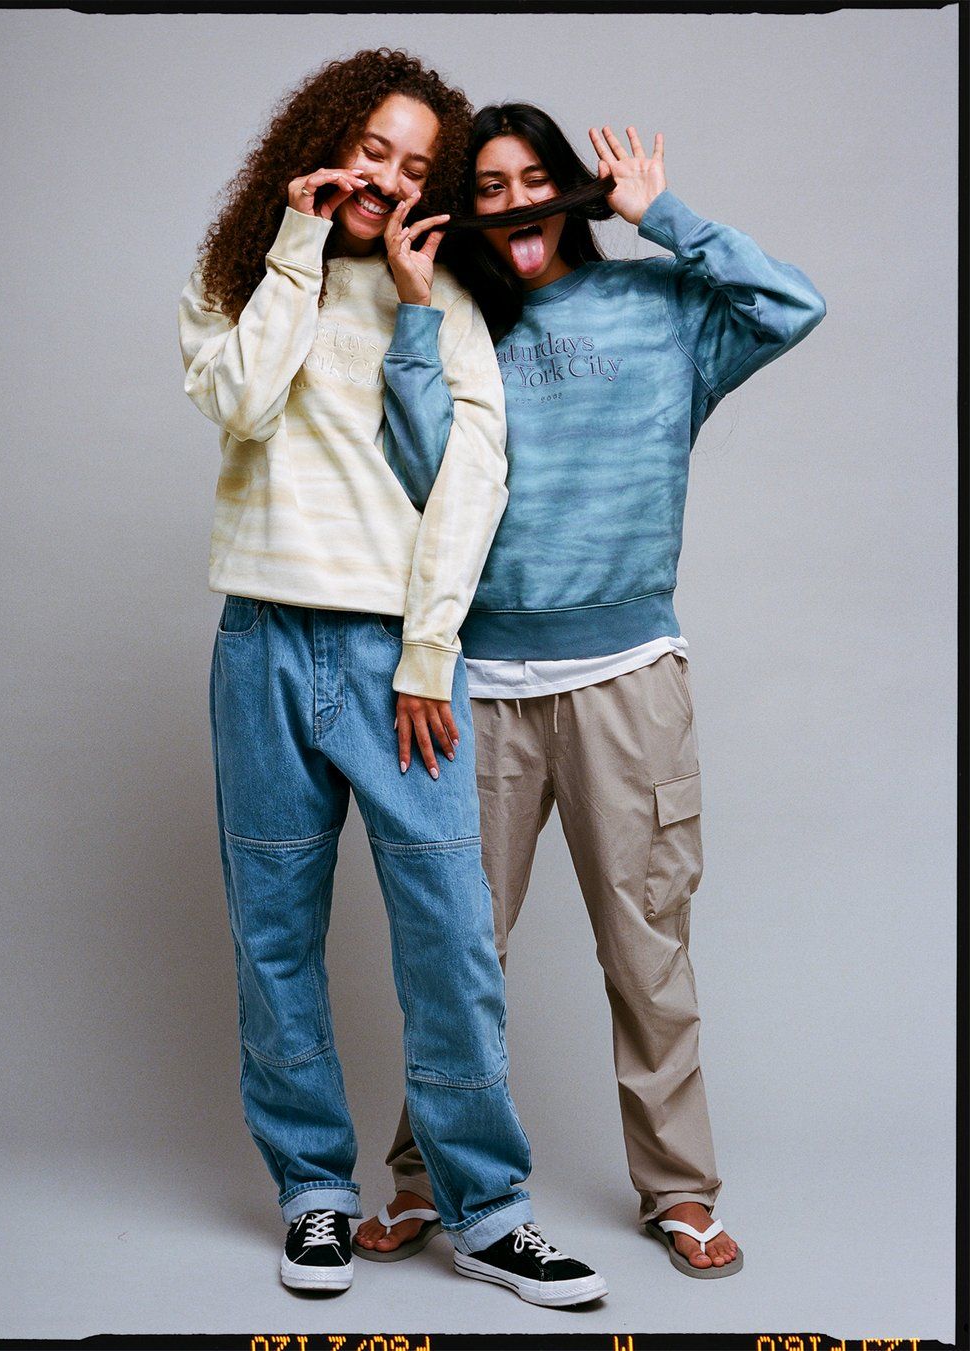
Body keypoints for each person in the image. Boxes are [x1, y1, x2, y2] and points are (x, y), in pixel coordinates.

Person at [356, 104, 825, 1279]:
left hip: (625, 682)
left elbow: (791, 305)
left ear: (566, 189)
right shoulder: (458, 324)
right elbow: (416, 472)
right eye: (488, 185)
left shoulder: (661, 313)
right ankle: (423, 1179)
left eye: (532, 180)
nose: (513, 202)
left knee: (646, 952)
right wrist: (415, 313)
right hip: (476, 686)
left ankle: (678, 1190)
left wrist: (658, 217)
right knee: (459, 951)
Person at [179, 49, 603, 1307]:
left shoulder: (450, 298)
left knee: (448, 937)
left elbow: (472, 482)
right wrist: (296, 251)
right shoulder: (235, 280)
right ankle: (314, 1193)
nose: (390, 176)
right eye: (374, 149)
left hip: (394, 657)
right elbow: (244, 404)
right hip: (257, 642)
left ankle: (488, 1210)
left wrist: (427, 652)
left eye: (420, 165)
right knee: (272, 941)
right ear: (324, 140)